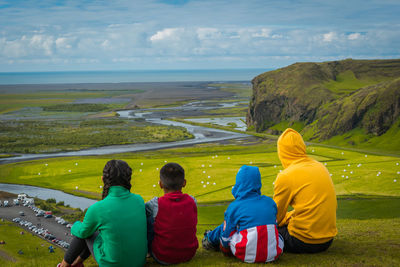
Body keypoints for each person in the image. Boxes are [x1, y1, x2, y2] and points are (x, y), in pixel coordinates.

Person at [57, 159, 147, 267]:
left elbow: (82, 233)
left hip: (113, 264)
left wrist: (75, 225)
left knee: (86, 231)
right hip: (138, 262)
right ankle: (77, 263)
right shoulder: (139, 200)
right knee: (93, 231)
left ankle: (63, 266)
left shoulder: (97, 208)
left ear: (103, 179)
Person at [202, 165, 284, 263]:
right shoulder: (270, 202)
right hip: (273, 254)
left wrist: (225, 250)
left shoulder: (235, 206)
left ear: (239, 183)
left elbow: (225, 240)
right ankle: (210, 236)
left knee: (228, 227)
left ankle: (209, 238)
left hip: (245, 254)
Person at [273, 128, 337, 253]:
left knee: (267, 231)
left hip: (301, 241)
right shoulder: (320, 166)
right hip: (327, 240)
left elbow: (276, 217)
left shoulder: (286, 176)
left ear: (282, 152)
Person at [145, 162, 198, 265]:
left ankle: (147, 252)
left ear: (160, 184)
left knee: (147, 219)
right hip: (189, 254)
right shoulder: (192, 200)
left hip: (162, 256)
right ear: (184, 183)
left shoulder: (155, 203)